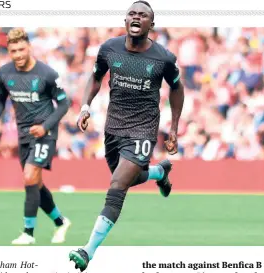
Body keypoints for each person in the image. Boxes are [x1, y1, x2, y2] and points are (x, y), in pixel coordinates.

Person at [69, 1, 185, 271]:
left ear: (150, 25)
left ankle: (88, 251)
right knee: (127, 178)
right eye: (132, 13)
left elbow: (177, 89)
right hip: (114, 128)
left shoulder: (163, 58)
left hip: (144, 129)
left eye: (143, 15)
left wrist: (175, 128)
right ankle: (159, 173)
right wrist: (85, 106)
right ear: (125, 21)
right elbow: (96, 77)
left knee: (117, 185)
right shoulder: (109, 48)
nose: (136, 17)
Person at [0, 28, 72, 245]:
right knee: (35, 185)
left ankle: (28, 234)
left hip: (45, 133)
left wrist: (45, 126)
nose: (18, 54)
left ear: (29, 47)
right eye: (14, 51)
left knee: (30, 176)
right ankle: (61, 222)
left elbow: (64, 104)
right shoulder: (4, 73)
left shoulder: (47, 74)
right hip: (24, 135)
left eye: (22, 49)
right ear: (9, 51)